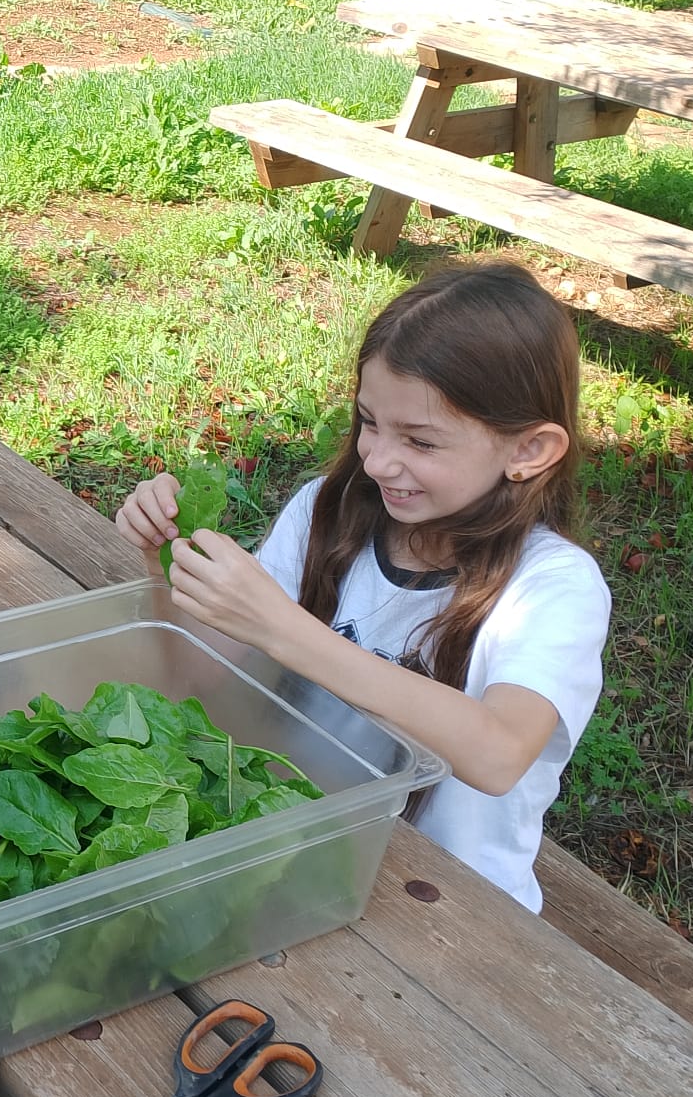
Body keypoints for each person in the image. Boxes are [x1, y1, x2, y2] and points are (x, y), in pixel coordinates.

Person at [116, 260, 610, 913]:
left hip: (449, 909)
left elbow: (498, 754)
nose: (376, 460)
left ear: (528, 451)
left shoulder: (553, 586)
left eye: (421, 442)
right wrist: (166, 561)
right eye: (369, 421)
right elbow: (202, 677)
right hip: (298, 855)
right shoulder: (325, 511)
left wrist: (284, 630)